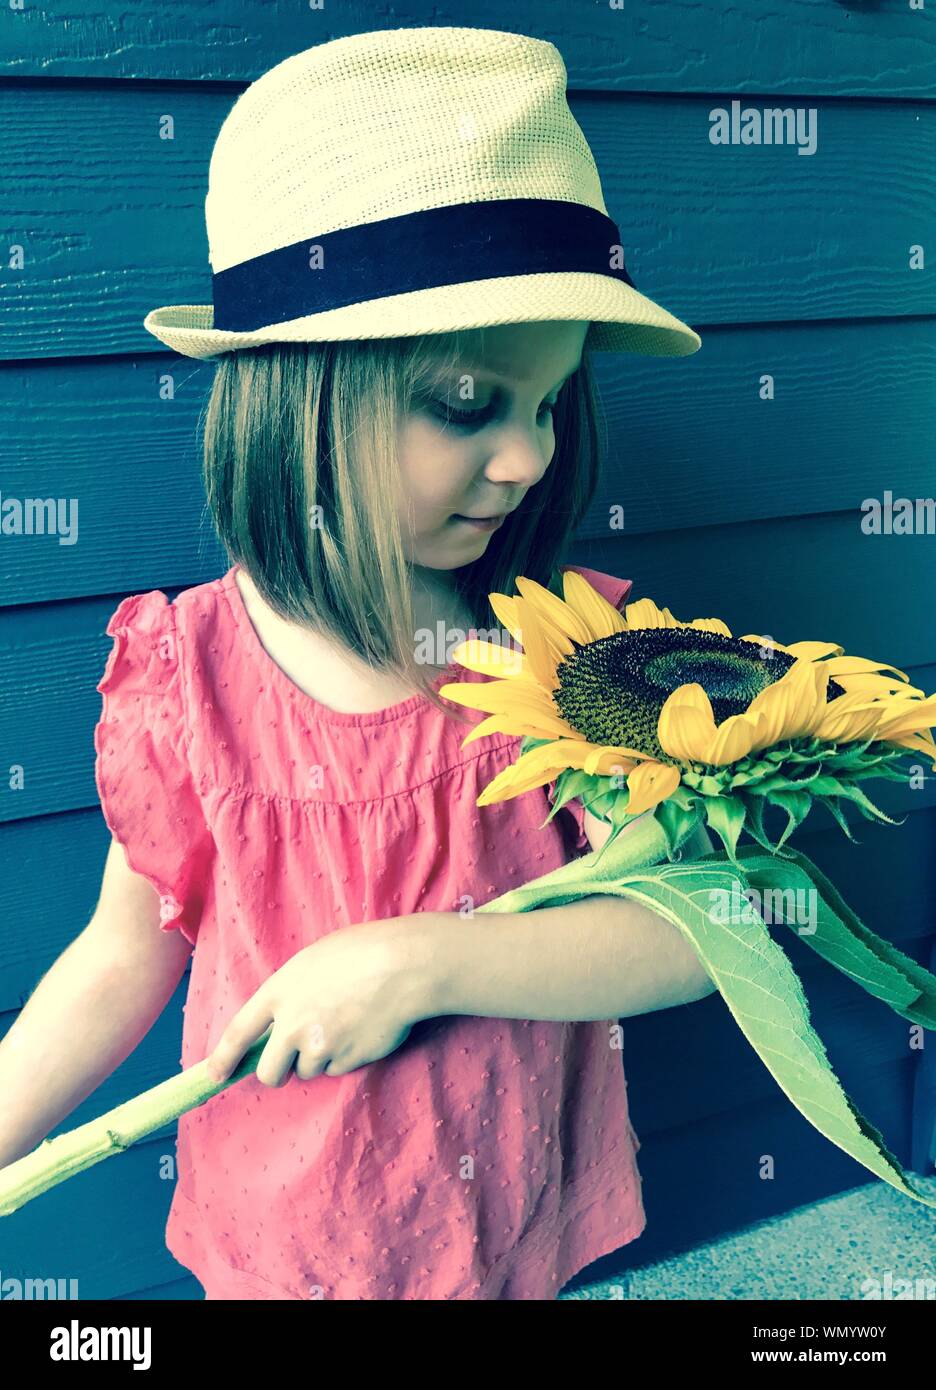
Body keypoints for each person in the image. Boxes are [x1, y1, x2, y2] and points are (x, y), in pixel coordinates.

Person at [0, 27, 714, 1300]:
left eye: (549, 403)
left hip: (509, 1223)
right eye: (468, 403)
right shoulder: (191, 680)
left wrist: (417, 961)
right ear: (300, 397)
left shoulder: (571, 655)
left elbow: (702, 929)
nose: (530, 458)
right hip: (289, 1251)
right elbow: (122, 957)